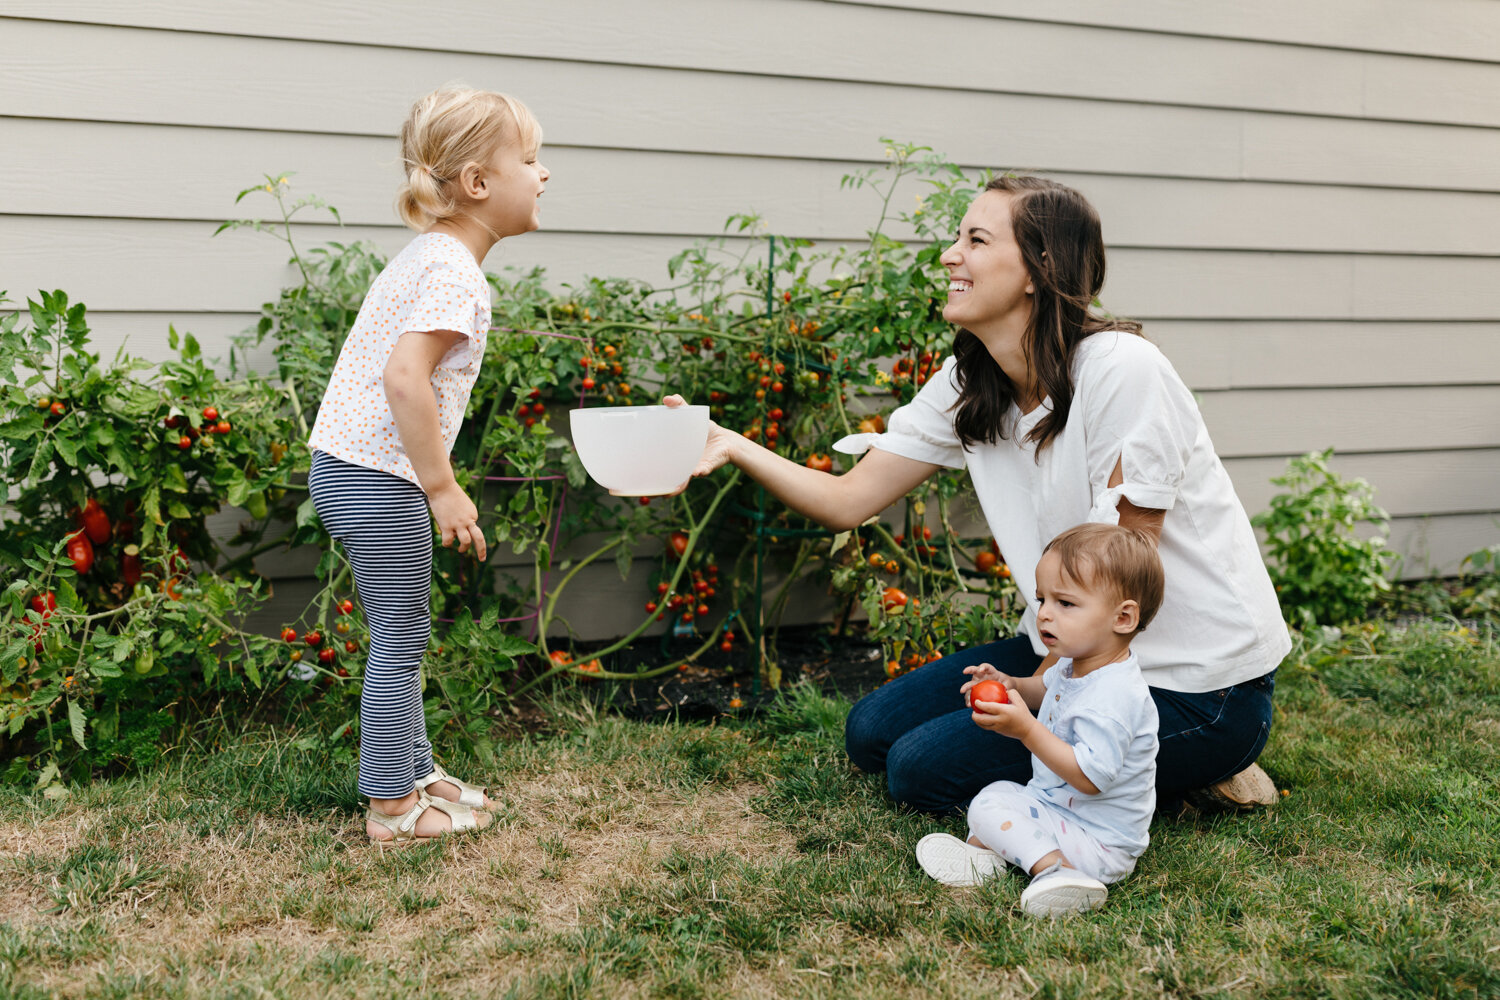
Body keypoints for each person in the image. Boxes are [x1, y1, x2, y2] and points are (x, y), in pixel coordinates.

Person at [669, 174, 1289, 815]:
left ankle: (1199, 770)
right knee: (873, 733)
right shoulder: (972, 380)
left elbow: (1121, 572)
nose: (949, 255)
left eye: (976, 239)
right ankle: (1121, 768)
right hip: (1070, 646)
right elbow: (846, 501)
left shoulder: (1122, 369)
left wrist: (1035, 693)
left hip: (1197, 685)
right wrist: (733, 444)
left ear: (1037, 270)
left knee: (920, 771)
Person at [306, 85, 549, 844]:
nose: (545, 174)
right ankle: (390, 806)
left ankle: (416, 774)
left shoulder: (432, 255)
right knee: (401, 636)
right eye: (532, 159)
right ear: (478, 183)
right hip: (376, 477)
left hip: (351, 469)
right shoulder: (454, 272)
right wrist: (442, 488)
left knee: (400, 627)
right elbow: (404, 378)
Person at [915, 523, 1162, 918]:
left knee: (989, 806)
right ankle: (987, 858)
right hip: (1056, 808)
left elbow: (1090, 779)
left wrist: (1026, 730)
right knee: (994, 796)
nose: (1044, 614)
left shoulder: (1114, 698)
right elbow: (1044, 690)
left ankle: (1056, 872)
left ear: (1123, 617)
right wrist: (1007, 683)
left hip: (1099, 843)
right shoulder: (1075, 664)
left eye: (1065, 603)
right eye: (1042, 599)